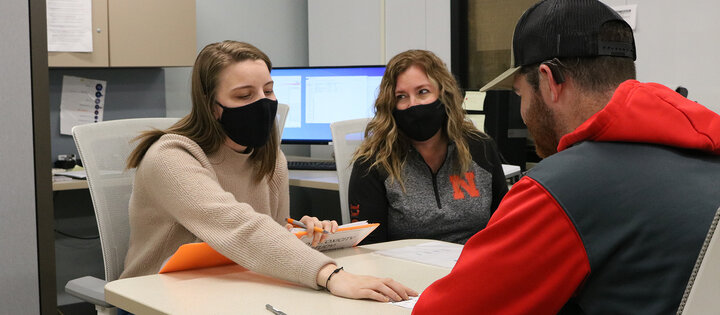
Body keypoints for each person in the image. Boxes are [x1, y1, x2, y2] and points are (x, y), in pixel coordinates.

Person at [413, 0, 720, 314]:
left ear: (549, 80)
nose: (521, 111)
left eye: (520, 94)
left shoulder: (560, 190)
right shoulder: (708, 153)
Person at [121, 40, 417, 303]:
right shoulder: (171, 157)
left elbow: (265, 235)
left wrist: (298, 232)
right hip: (154, 297)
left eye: (268, 90)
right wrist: (332, 275)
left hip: (235, 288)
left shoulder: (269, 156)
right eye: (243, 95)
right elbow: (239, 228)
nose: (262, 103)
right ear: (212, 107)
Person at [349, 49, 508, 244]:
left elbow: (505, 226)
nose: (413, 104)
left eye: (423, 92)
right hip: (406, 270)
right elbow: (368, 250)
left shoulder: (480, 147)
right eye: (401, 97)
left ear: (443, 93)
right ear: (390, 104)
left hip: (475, 265)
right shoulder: (372, 164)